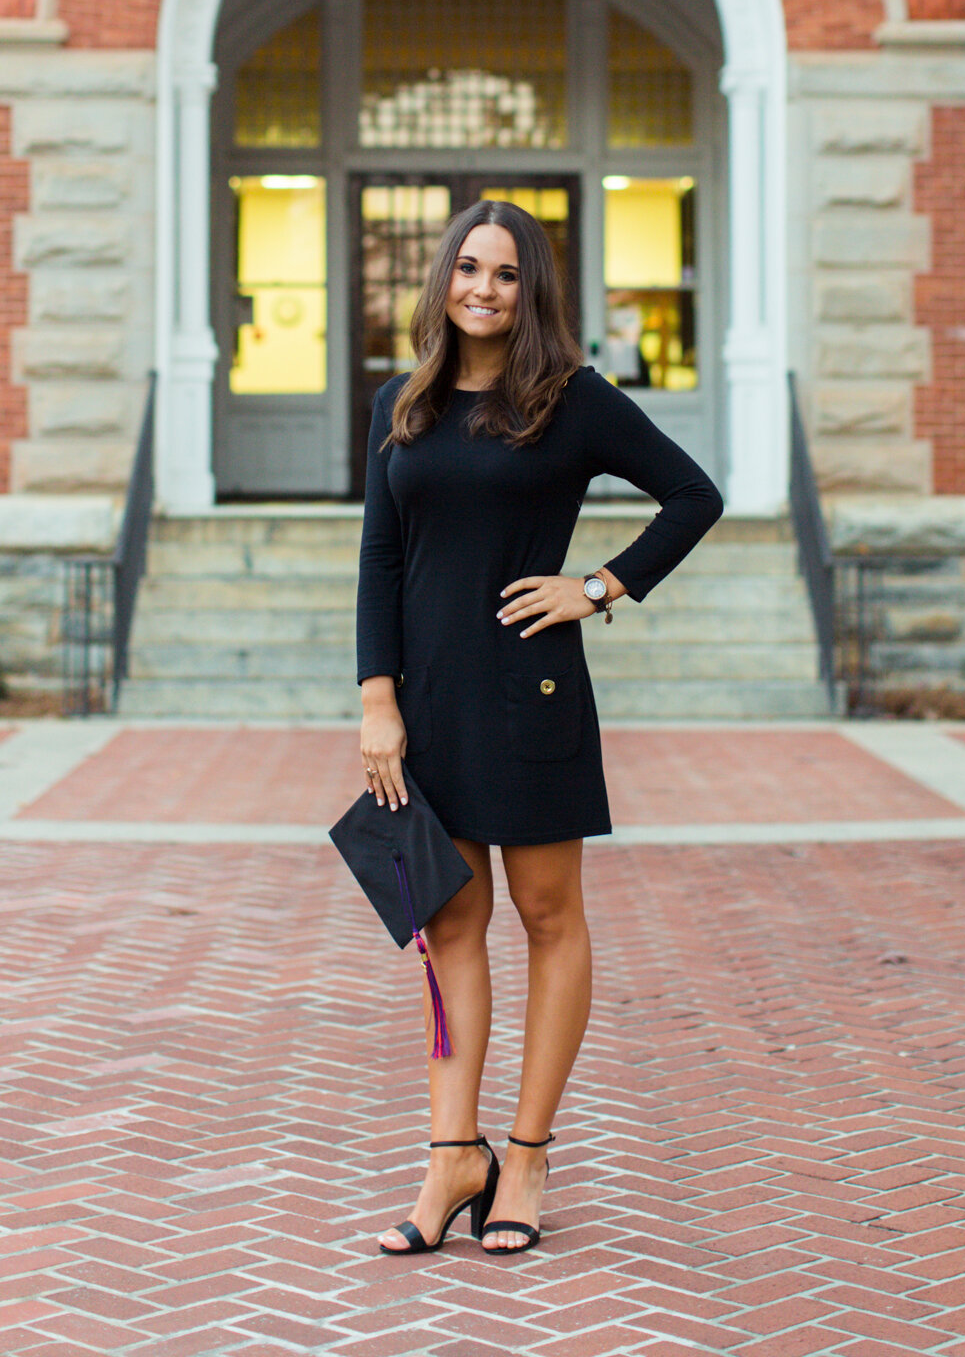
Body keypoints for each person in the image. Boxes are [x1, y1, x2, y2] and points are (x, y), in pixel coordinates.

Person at [357, 199, 723, 1257]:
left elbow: (692, 495)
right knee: (448, 921)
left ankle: (525, 1150)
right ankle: (448, 1154)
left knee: (547, 911)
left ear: (532, 288)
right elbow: (381, 560)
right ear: (443, 277)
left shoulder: (571, 400)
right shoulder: (402, 401)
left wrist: (598, 586)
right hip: (426, 701)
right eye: (468, 267)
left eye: (506, 273)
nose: (483, 287)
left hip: (532, 692)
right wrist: (375, 696)